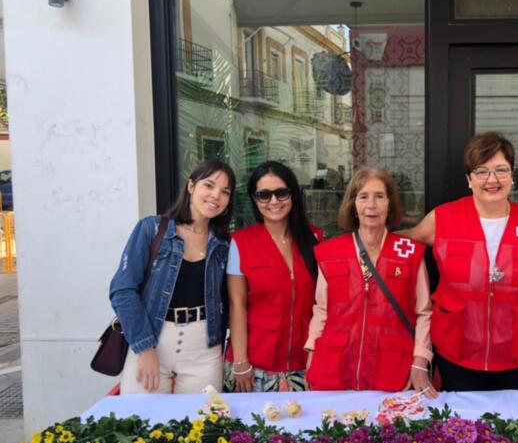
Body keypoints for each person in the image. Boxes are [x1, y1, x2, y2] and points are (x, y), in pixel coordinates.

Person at [402, 132, 518, 391]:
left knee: (516, 428)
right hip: (458, 354)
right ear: (469, 179)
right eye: (481, 172)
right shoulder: (443, 218)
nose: (492, 180)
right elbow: (398, 246)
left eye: (501, 170)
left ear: (512, 176)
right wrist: (358, 240)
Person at [305, 167, 435, 395]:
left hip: (394, 369)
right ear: (353, 205)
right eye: (363, 197)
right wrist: (311, 354)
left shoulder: (409, 253)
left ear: (390, 204)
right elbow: (322, 309)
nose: (371, 205)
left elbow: (423, 312)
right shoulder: (330, 252)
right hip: (334, 368)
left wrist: (420, 360)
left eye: (379, 196)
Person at [110, 159, 235, 394]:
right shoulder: (152, 229)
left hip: (204, 350)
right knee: (144, 423)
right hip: (153, 340)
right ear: (191, 187)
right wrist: (145, 348)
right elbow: (122, 291)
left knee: (202, 426)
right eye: (208, 186)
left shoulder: (223, 245)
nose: (216, 195)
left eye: (225, 191)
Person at [226, 161, 323, 392]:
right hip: (254, 367)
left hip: (304, 364)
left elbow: (323, 303)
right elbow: (236, 304)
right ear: (254, 199)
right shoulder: (240, 242)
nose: (273, 201)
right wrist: (241, 362)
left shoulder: (315, 238)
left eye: (281, 193)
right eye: (264, 195)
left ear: (293, 194)